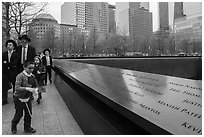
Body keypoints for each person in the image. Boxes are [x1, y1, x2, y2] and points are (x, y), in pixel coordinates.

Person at [11, 60, 37, 134]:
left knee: (29, 114)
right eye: (30, 68)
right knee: (19, 114)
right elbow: (17, 88)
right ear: (24, 67)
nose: (31, 70)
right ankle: (13, 126)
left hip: (28, 98)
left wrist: (36, 91)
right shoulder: (20, 76)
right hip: (18, 98)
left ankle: (27, 127)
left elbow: (35, 86)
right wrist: (27, 88)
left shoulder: (32, 76)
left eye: (33, 68)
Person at [2, 40, 19, 104]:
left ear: (13, 46)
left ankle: (15, 98)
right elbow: (2, 63)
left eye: (10, 45)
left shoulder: (16, 54)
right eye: (7, 45)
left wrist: (6, 63)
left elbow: (14, 63)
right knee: (4, 86)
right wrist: (9, 64)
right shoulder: (3, 54)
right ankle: (4, 99)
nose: (8, 46)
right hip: (5, 72)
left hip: (14, 72)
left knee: (15, 85)